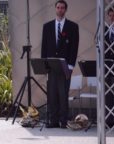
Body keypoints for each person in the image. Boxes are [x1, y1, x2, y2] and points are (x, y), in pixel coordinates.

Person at [41, 0, 79, 128]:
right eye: (58, 7)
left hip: (65, 66)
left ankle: (63, 120)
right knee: (52, 94)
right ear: (55, 9)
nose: (60, 10)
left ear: (65, 10)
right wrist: (44, 65)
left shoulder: (73, 27)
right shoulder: (47, 26)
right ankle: (53, 120)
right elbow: (44, 47)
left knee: (63, 94)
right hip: (51, 66)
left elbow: (74, 47)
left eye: (62, 8)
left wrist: (71, 66)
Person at [105, 6, 114, 128]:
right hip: (107, 66)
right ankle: (109, 120)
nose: (112, 18)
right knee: (108, 94)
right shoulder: (104, 30)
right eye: (111, 16)